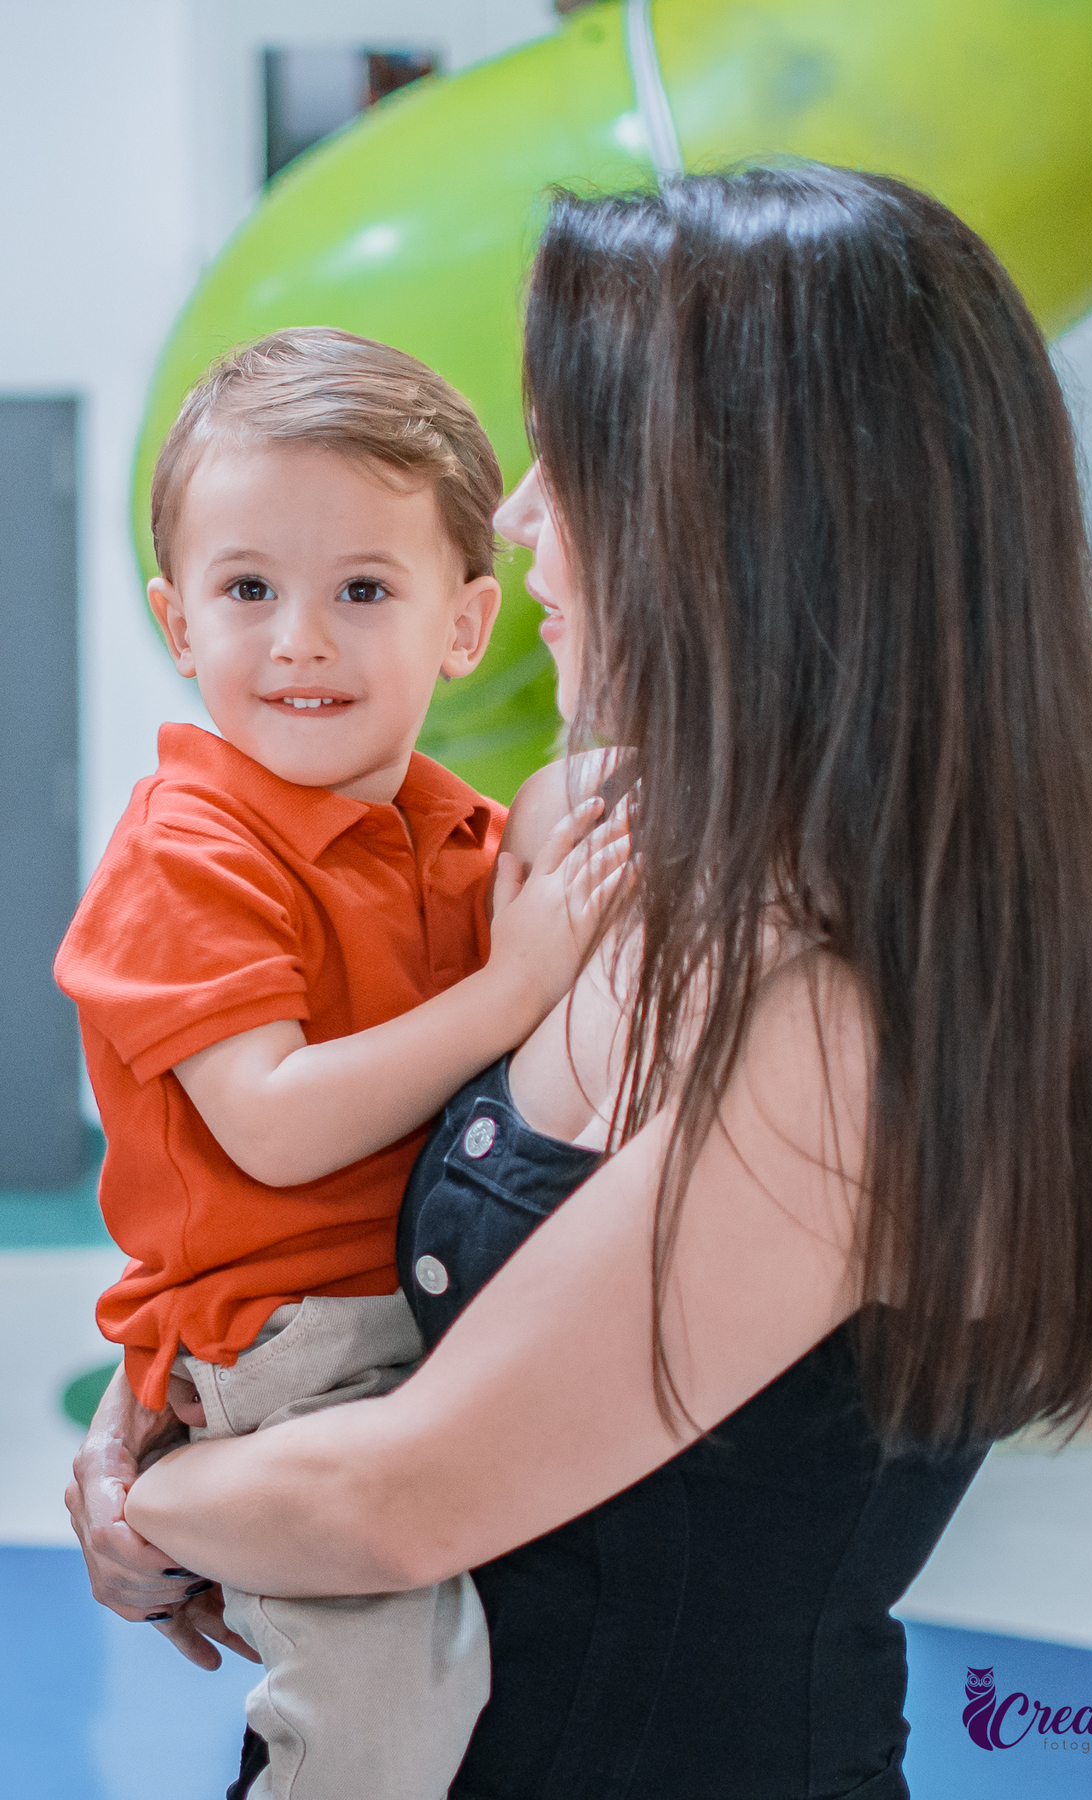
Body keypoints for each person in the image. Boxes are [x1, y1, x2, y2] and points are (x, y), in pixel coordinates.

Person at [73, 168, 1092, 1800]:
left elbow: (401, 1497)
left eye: (558, 462)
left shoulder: (841, 1026)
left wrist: (143, 1506)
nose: (515, 521)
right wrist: (170, 1407)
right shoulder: (592, 835)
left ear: (729, 518)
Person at [54, 326, 628, 1800]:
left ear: (465, 622)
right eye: (249, 591)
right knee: (377, 1716)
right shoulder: (186, 851)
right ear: (178, 623)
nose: (299, 638)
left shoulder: (464, 829)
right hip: (291, 1343)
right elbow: (278, 1127)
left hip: (429, 1309)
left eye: (362, 590)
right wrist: (519, 983)